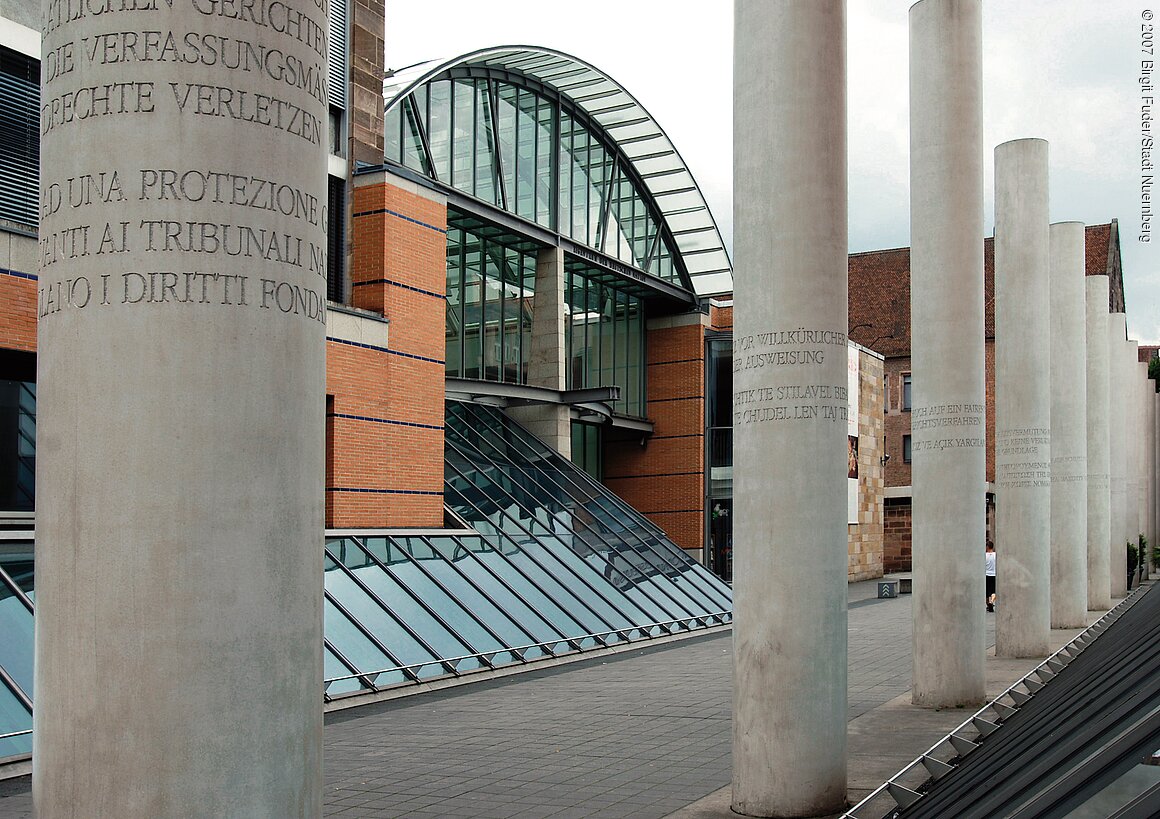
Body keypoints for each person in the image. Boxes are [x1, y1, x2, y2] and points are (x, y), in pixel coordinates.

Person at [985, 540, 997, 612]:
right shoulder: (996, 555)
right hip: (994, 574)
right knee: (993, 591)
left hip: (986, 574)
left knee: (986, 591)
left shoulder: (984, 555)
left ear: (987, 547)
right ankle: (991, 601)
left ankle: (988, 604)